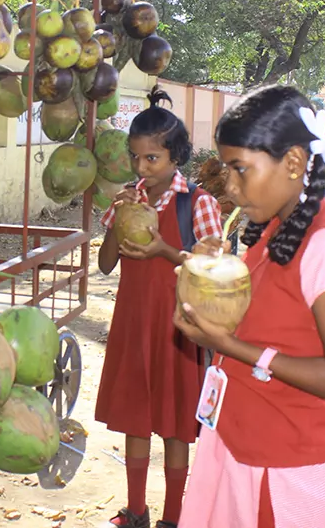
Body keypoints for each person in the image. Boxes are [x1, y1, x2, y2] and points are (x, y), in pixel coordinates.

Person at [174, 85, 325, 528]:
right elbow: (269, 325)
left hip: (281, 472)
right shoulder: (275, 231)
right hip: (238, 444)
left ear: (294, 163)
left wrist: (232, 347)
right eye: (227, 171)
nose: (231, 187)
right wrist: (208, 281)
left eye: (241, 170)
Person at [96, 87, 224, 528]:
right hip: (133, 324)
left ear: (176, 157)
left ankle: (173, 517)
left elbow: (211, 271)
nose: (141, 168)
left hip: (176, 330)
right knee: (135, 418)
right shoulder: (129, 196)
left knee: (174, 427)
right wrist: (117, 218)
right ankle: (135, 511)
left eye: (151, 159)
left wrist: (163, 251)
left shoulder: (197, 203)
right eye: (135, 158)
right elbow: (106, 263)